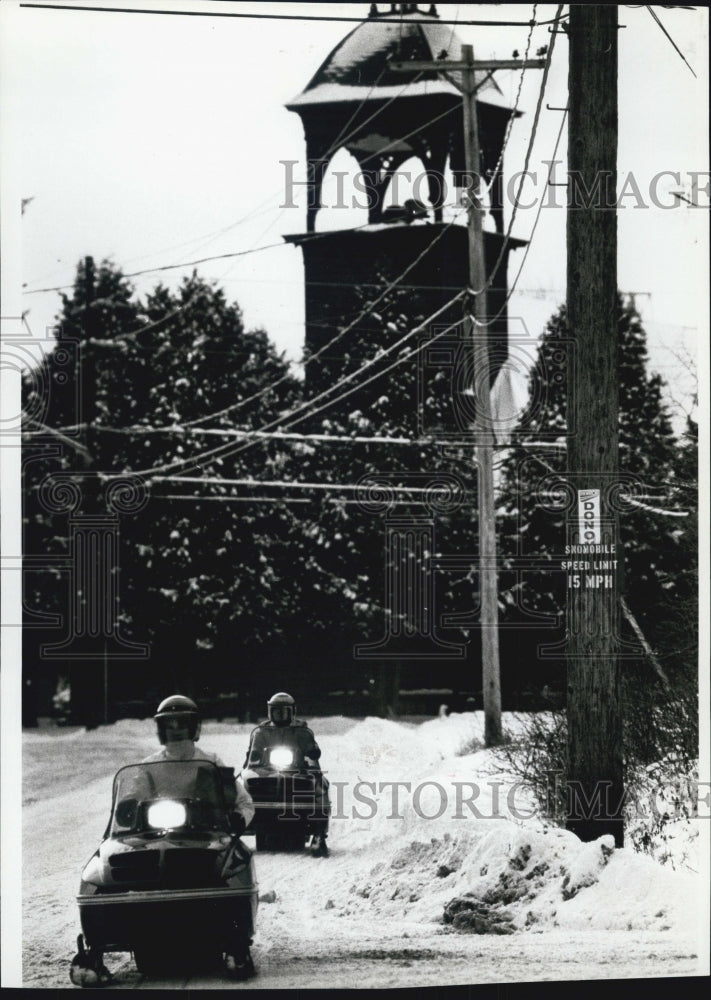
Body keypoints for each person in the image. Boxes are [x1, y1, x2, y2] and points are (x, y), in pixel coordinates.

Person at [243, 692, 329, 856]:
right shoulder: (261, 731)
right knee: (243, 783)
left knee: (320, 784)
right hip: (266, 769)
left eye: (284, 711)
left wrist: (313, 750)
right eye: (276, 711)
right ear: (270, 711)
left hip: (298, 768)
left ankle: (319, 833)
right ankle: (240, 825)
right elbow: (254, 752)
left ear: (292, 711)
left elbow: (311, 747)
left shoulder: (301, 730)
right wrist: (254, 755)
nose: (280, 715)